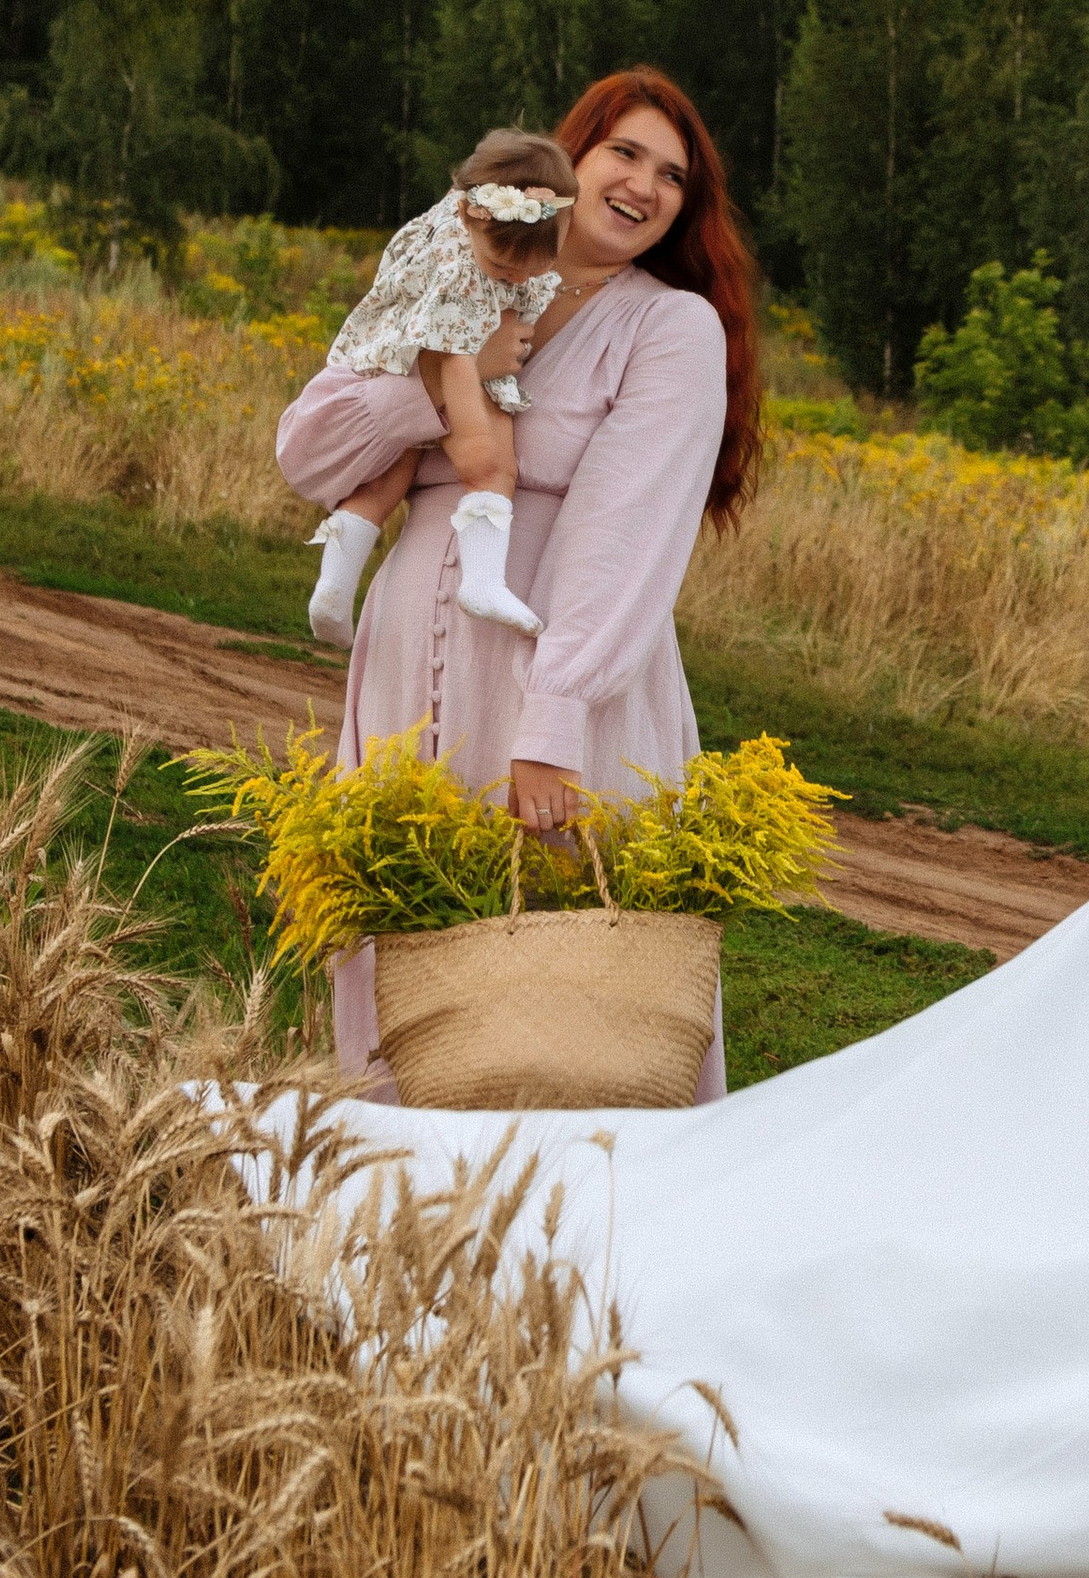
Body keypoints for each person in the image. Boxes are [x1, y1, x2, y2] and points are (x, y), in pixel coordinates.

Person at [276, 70, 765, 1104]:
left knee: (574, 984)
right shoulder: (458, 271)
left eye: (673, 176)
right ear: (570, 157)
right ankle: (406, 1228)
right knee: (413, 958)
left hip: (560, 678)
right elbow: (310, 448)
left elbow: (620, 532)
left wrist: (554, 721)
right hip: (410, 660)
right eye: (624, 153)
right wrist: (450, 373)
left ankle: (585, 1238)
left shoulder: (668, 328)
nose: (645, 185)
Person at [305, 128, 580, 647]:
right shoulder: (463, 274)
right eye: (505, 266)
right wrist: (476, 445)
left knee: (391, 475)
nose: (519, 278)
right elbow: (457, 361)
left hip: (399, 356)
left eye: (536, 267)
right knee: (495, 463)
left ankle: (334, 590)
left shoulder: (468, 220)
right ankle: (483, 581)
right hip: (444, 355)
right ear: (468, 216)